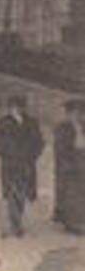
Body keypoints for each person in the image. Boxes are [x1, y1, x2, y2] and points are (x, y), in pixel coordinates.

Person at [0, 95, 46, 238]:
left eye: (20, 106)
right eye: (14, 106)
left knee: (22, 193)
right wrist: (6, 152)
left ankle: (17, 221)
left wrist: (32, 154)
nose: (17, 109)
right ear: (9, 108)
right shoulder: (3, 122)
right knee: (11, 193)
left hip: (27, 164)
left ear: (24, 108)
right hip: (10, 164)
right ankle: (15, 225)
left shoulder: (32, 123)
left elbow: (39, 142)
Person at [54, 99, 85, 234]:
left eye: (80, 112)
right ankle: (71, 223)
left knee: (81, 193)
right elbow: (60, 148)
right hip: (69, 165)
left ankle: (78, 220)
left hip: (82, 163)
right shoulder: (62, 128)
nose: (78, 115)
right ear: (68, 114)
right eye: (74, 112)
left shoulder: (83, 126)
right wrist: (67, 164)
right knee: (70, 193)